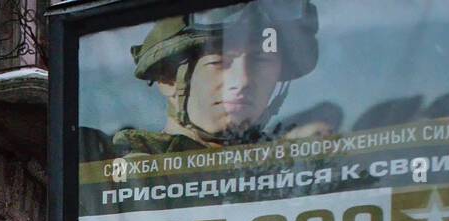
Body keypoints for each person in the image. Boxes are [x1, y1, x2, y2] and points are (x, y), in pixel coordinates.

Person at [112, 0, 320, 157]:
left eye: (261, 63)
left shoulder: (291, 163)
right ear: (168, 79)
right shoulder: (116, 166)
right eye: (218, 63)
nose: (243, 81)